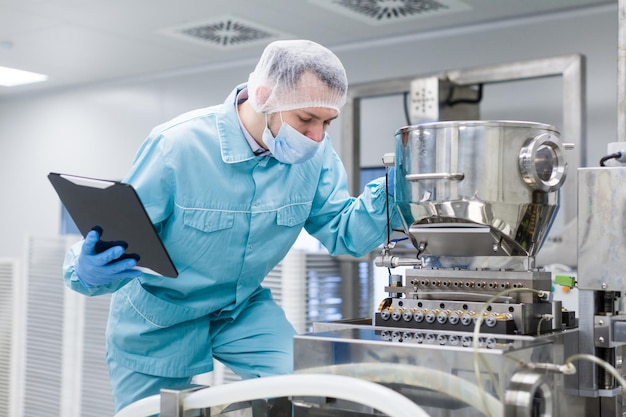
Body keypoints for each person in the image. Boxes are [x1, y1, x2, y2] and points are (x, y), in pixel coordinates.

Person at [63, 39, 401, 413]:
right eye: (306, 119)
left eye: (326, 122)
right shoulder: (177, 146)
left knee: (307, 389)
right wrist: (84, 267)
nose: (318, 136)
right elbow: (120, 232)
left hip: (241, 308)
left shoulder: (315, 157)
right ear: (264, 97)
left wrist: (401, 188)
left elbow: (345, 232)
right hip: (157, 316)